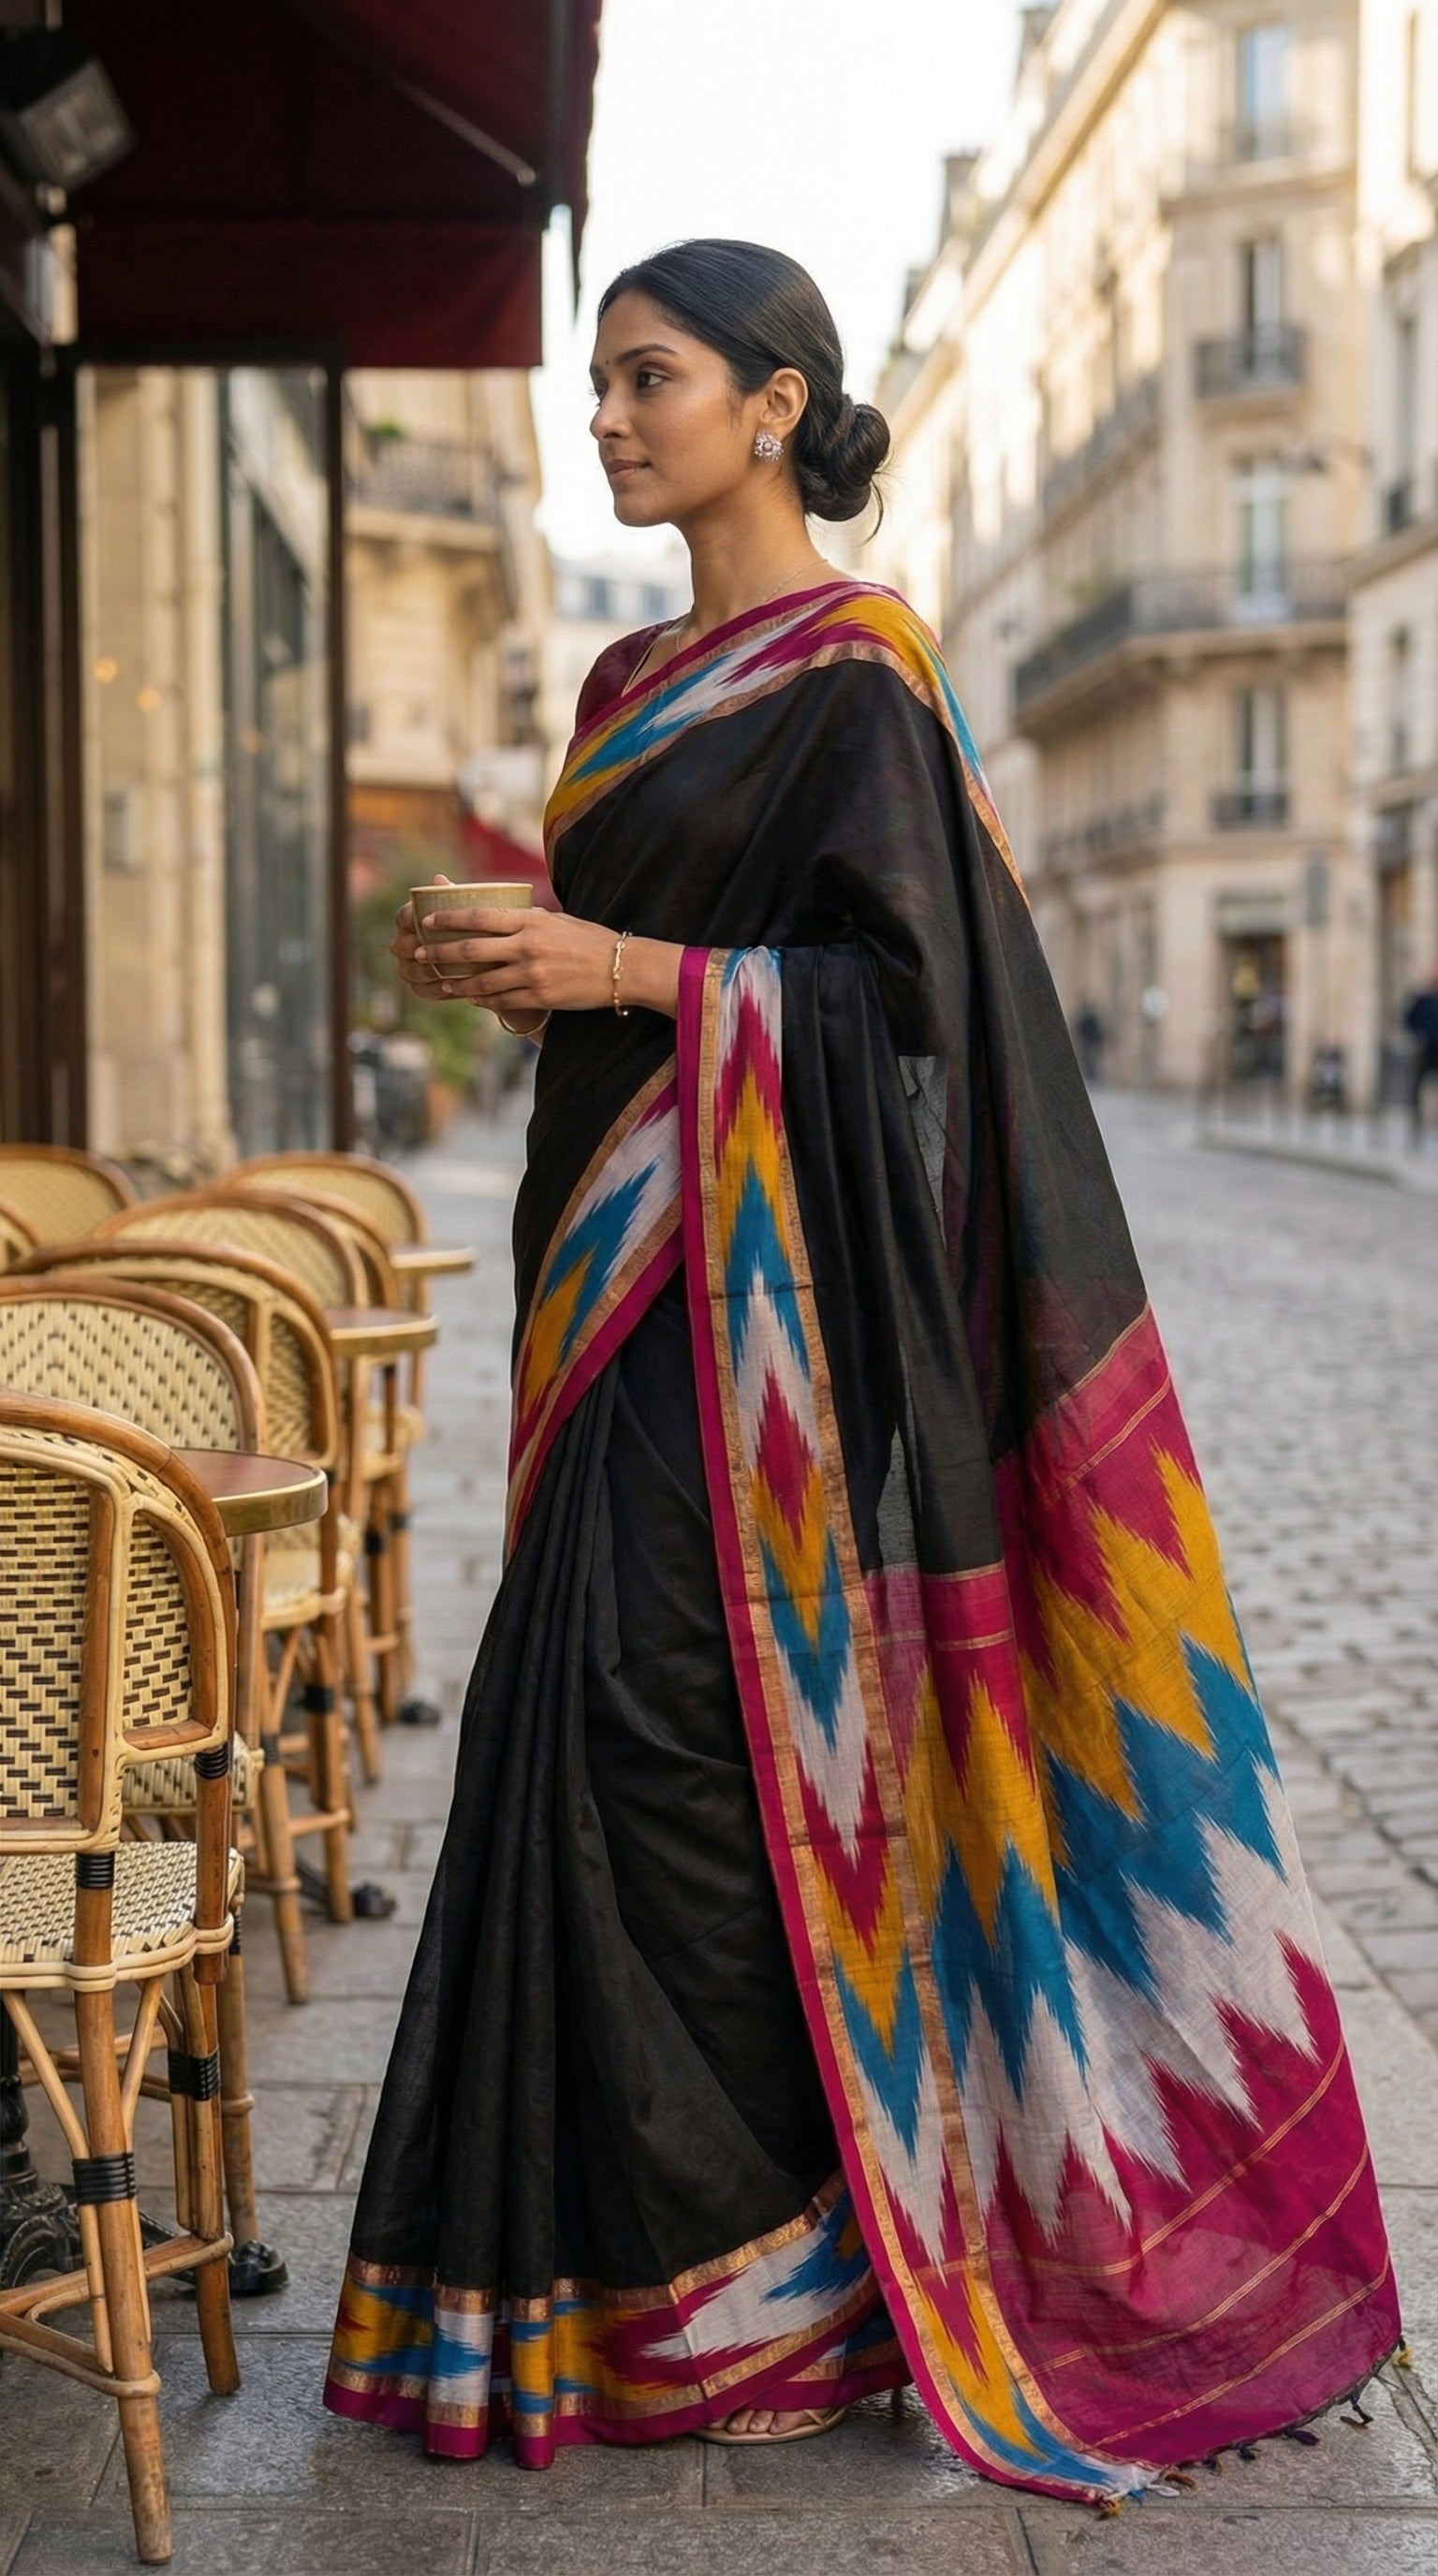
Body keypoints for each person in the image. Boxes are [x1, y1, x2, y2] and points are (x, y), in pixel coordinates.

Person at [325, 240, 1398, 2499]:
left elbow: (920, 1021)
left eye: (649, 379)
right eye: (596, 382)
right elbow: (669, 983)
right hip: (607, 1293)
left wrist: (621, 959)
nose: (604, 419)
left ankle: (791, 2283)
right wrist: (564, 980)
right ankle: (620, 2274)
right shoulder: (627, 671)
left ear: (776, 401)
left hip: (773, 1338)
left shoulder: (861, 680)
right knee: (592, 1735)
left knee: (697, 1747)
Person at [1403, 966, 1438, 1142]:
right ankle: (1417, 1125)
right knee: (1418, 1088)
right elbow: (1409, 1018)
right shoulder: (1423, 999)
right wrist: (1418, 1035)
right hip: (1425, 1050)